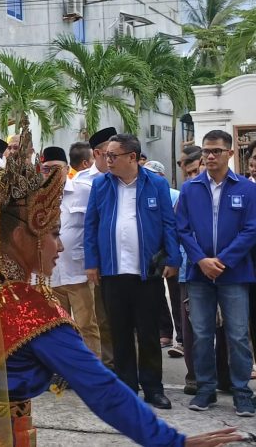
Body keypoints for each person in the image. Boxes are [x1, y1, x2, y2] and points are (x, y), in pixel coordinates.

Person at [0, 121, 241, 447]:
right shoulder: (31, 312)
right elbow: (102, 389)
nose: (61, 245)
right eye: (53, 234)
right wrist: (171, 441)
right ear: (23, 236)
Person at [85, 133, 180, 410]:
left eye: (113, 156)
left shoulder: (157, 184)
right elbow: (91, 225)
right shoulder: (101, 185)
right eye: (105, 155)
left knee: (149, 332)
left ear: (132, 158)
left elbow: (168, 224)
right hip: (113, 271)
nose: (107, 160)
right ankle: (126, 387)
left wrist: (172, 259)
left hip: (146, 272)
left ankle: (153, 388)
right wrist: (92, 263)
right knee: (120, 331)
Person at [176, 129, 256, 416]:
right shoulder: (191, 188)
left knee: (237, 335)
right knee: (201, 333)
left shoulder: (247, 189)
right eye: (206, 150)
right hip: (199, 275)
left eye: (216, 151)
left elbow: (251, 229)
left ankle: (242, 392)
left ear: (230, 154)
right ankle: (206, 388)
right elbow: (182, 229)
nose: (209, 156)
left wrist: (221, 260)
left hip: (234, 274)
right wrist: (201, 261)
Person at [44, 146, 100, 357]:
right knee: (58, 327)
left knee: (86, 324)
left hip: (78, 271)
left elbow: (93, 228)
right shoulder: (39, 196)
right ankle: (65, 370)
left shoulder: (83, 191)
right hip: (52, 273)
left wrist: (94, 262)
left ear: (67, 169)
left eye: (56, 168)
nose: (50, 173)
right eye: (46, 169)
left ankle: (93, 369)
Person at [73, 126, 117, 369]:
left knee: (126, 317)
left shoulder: (127, 178)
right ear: (99, 153)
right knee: (99, 318)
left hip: (122, 258)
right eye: (110, 151)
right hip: (94, 263)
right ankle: (108, 365)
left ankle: (133, 367)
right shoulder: (81, 183)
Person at [144, 160, 183, 354]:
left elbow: (173, 225)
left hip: (172, 250)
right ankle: (164, 332)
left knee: (176, 294)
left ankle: (181, 337)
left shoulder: (175, 195)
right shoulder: (144, 193)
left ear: (161, 176)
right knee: (158, 294)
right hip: (154, 253)